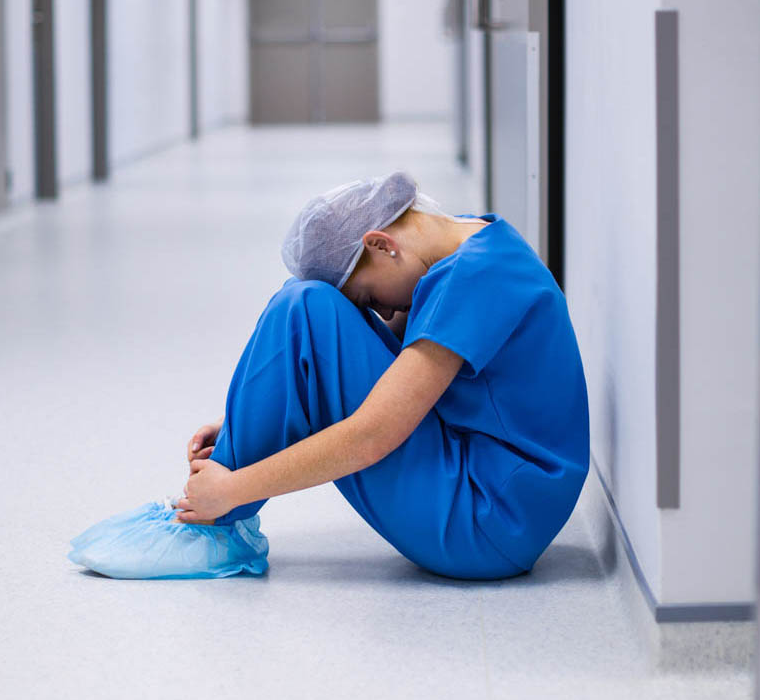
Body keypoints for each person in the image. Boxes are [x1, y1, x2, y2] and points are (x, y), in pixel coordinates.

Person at [173, 169, 590, 580]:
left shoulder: (472, 279)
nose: (386, 314)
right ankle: (216, 490)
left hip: (488, 521)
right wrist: (244, 421)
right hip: (502, 497)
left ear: (381, 244)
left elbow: (374, 434)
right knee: (302, 305)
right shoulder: (476, 241)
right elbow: (375, 370)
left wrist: (235, 488)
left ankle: (209, 522)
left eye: (369, 297)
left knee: (302, 308)